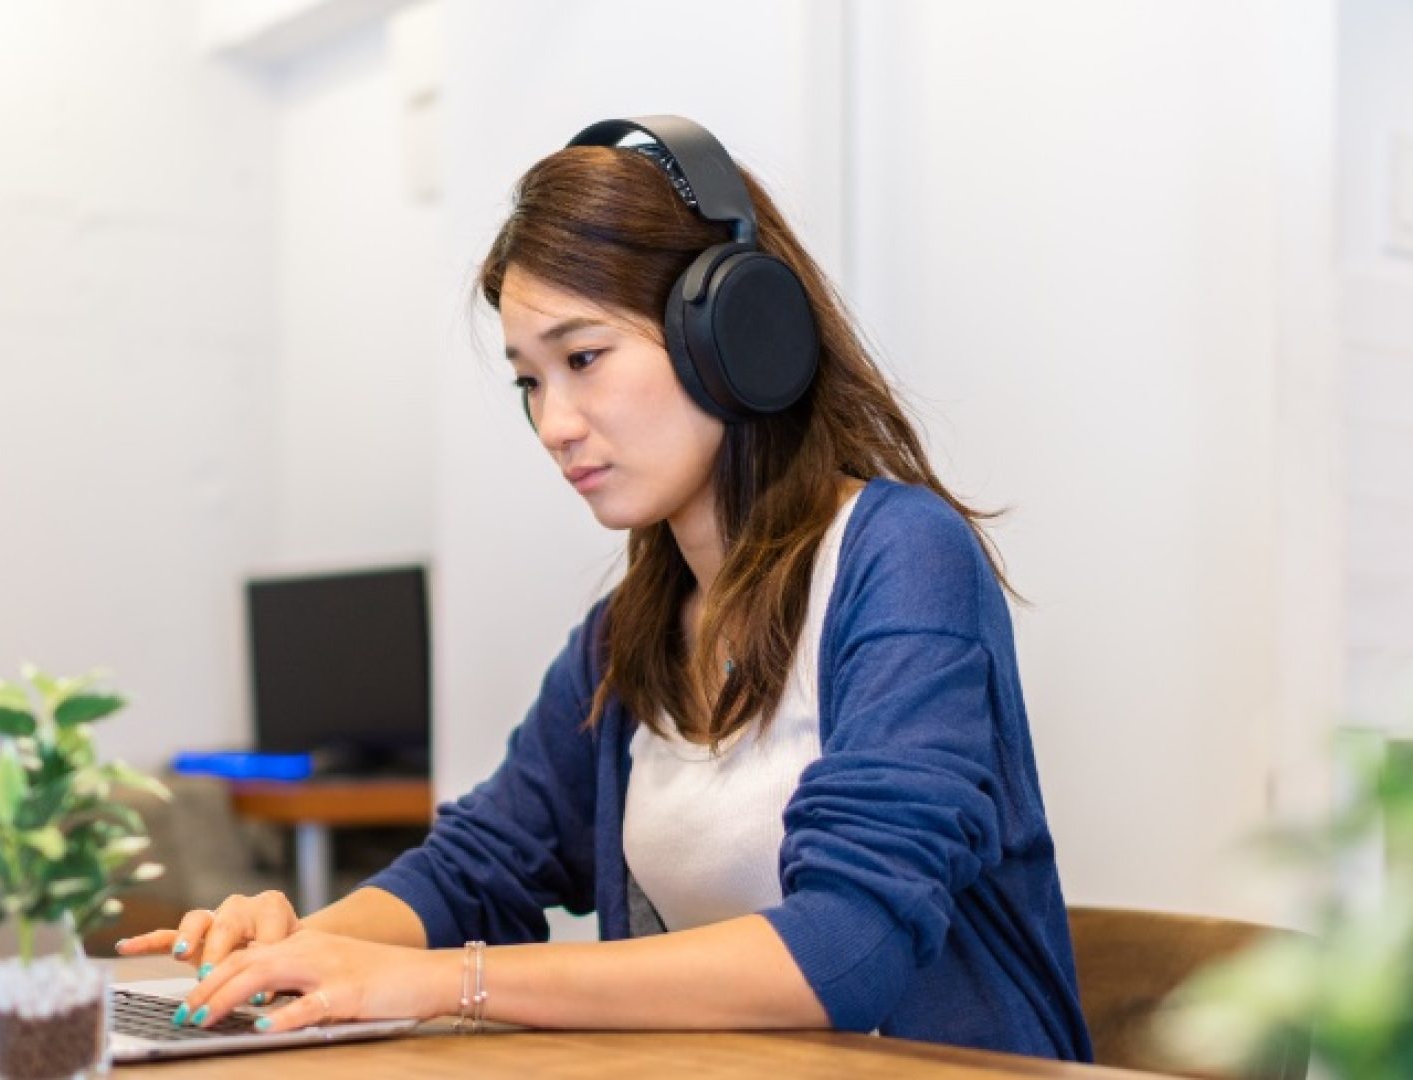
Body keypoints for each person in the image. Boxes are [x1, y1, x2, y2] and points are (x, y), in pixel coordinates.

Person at [117, 115, 1092, 1060]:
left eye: (583, 359)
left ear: (737, 335)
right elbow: (477, 864)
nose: (555, 425)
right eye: (530, 383)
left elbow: (847, 950)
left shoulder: (903, 560)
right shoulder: (625, 640)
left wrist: (445, 982)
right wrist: (301, 950)